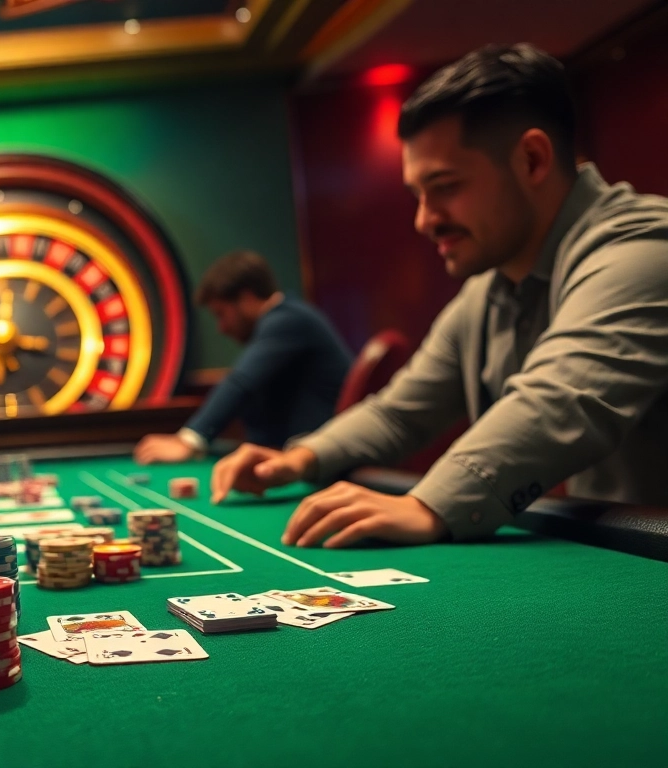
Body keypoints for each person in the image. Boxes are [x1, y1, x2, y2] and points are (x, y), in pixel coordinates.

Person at [209, 43, 668, 548]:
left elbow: (561, 399)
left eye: (445, 186)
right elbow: (399, 411)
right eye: (417, 195)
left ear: (532, 159)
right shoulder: (489, 290)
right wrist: (298, 459)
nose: (424, 220)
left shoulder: (644, 248)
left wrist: (428, 505)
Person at [134, 250, 351, 464]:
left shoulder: (289, 320)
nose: (221, 328)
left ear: (246, 298)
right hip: (296, 457)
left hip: (323, 467)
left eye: (221, 314)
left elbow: (241, 381)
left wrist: (188, 440)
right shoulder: (280, 323)